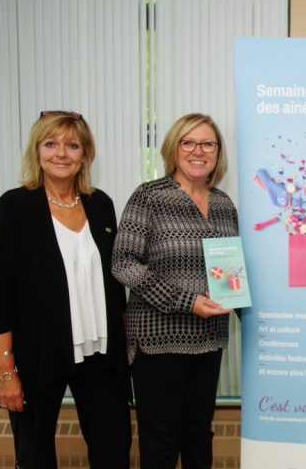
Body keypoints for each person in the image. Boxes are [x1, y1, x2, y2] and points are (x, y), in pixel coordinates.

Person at [0, 110, 132, 468]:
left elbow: (114, 284)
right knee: (34, 456)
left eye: (72, 145)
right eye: (51, 144)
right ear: (37, 151)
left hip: (100, 353)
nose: (61, 153)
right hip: (38, 355)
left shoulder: (101, 205)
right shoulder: (13, 207)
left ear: (85, 153)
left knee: (114, 449)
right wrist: (6, 373)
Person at [112, 113, 237, 469]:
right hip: (158, 341)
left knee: (199, 435)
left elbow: (231, 270)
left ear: (217, 152)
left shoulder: (225, 204)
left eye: (207, 143)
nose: (198, 151)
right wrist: (186, 301)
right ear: (174, 148)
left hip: (209, 340)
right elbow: (123, 263)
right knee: (161, 443)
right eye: (189, 142)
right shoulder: (149, 197)